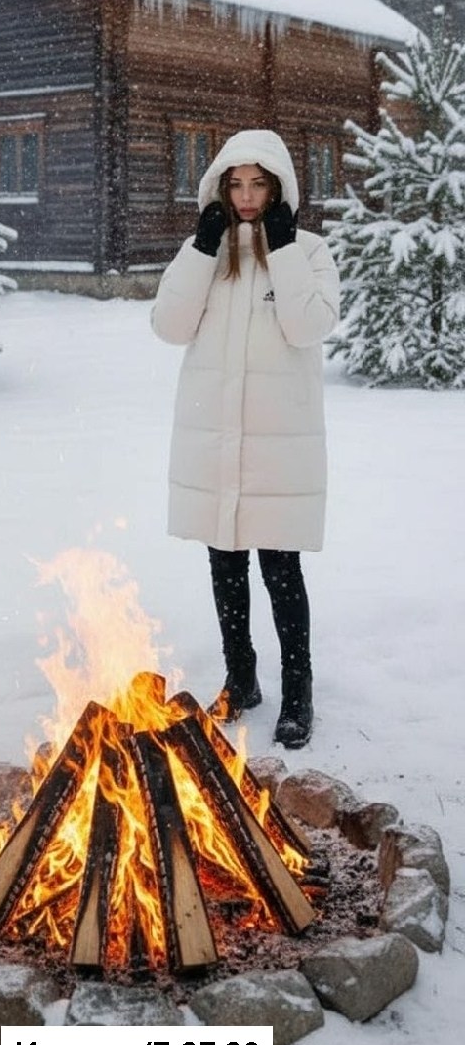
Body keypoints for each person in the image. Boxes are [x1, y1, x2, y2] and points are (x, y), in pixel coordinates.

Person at [151, 129, 339, 748]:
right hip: (216, 439)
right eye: (236, 184)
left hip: (276, 444)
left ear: (278, 187)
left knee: (281, 569)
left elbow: (308, 326)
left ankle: (297, 691)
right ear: (220, 188)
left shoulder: (307, 251)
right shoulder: (206, 251)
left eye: (259, 184)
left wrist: (281, 249)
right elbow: (169, 326)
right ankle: (241, 679)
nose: (248, 196)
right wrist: (202, 250)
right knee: (225, 565)